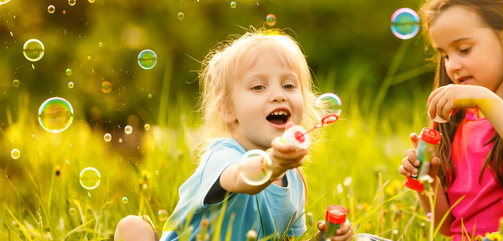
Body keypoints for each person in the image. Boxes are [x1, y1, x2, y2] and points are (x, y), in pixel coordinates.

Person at [114, 28, 353, 241]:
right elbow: (243, 178)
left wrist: (326, 238)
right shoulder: (223, 157)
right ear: (228, 109)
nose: (279, 95)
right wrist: (273, 164)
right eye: (258, 87)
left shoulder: (294, 179)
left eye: (289, 85)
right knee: (133, 227)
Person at [398, 0, 503, 240]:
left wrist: (484, 99)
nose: (452, 66)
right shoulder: (456, 124)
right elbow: (448, 227)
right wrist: (428, 180)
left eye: (464, 49)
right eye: (445, 55)